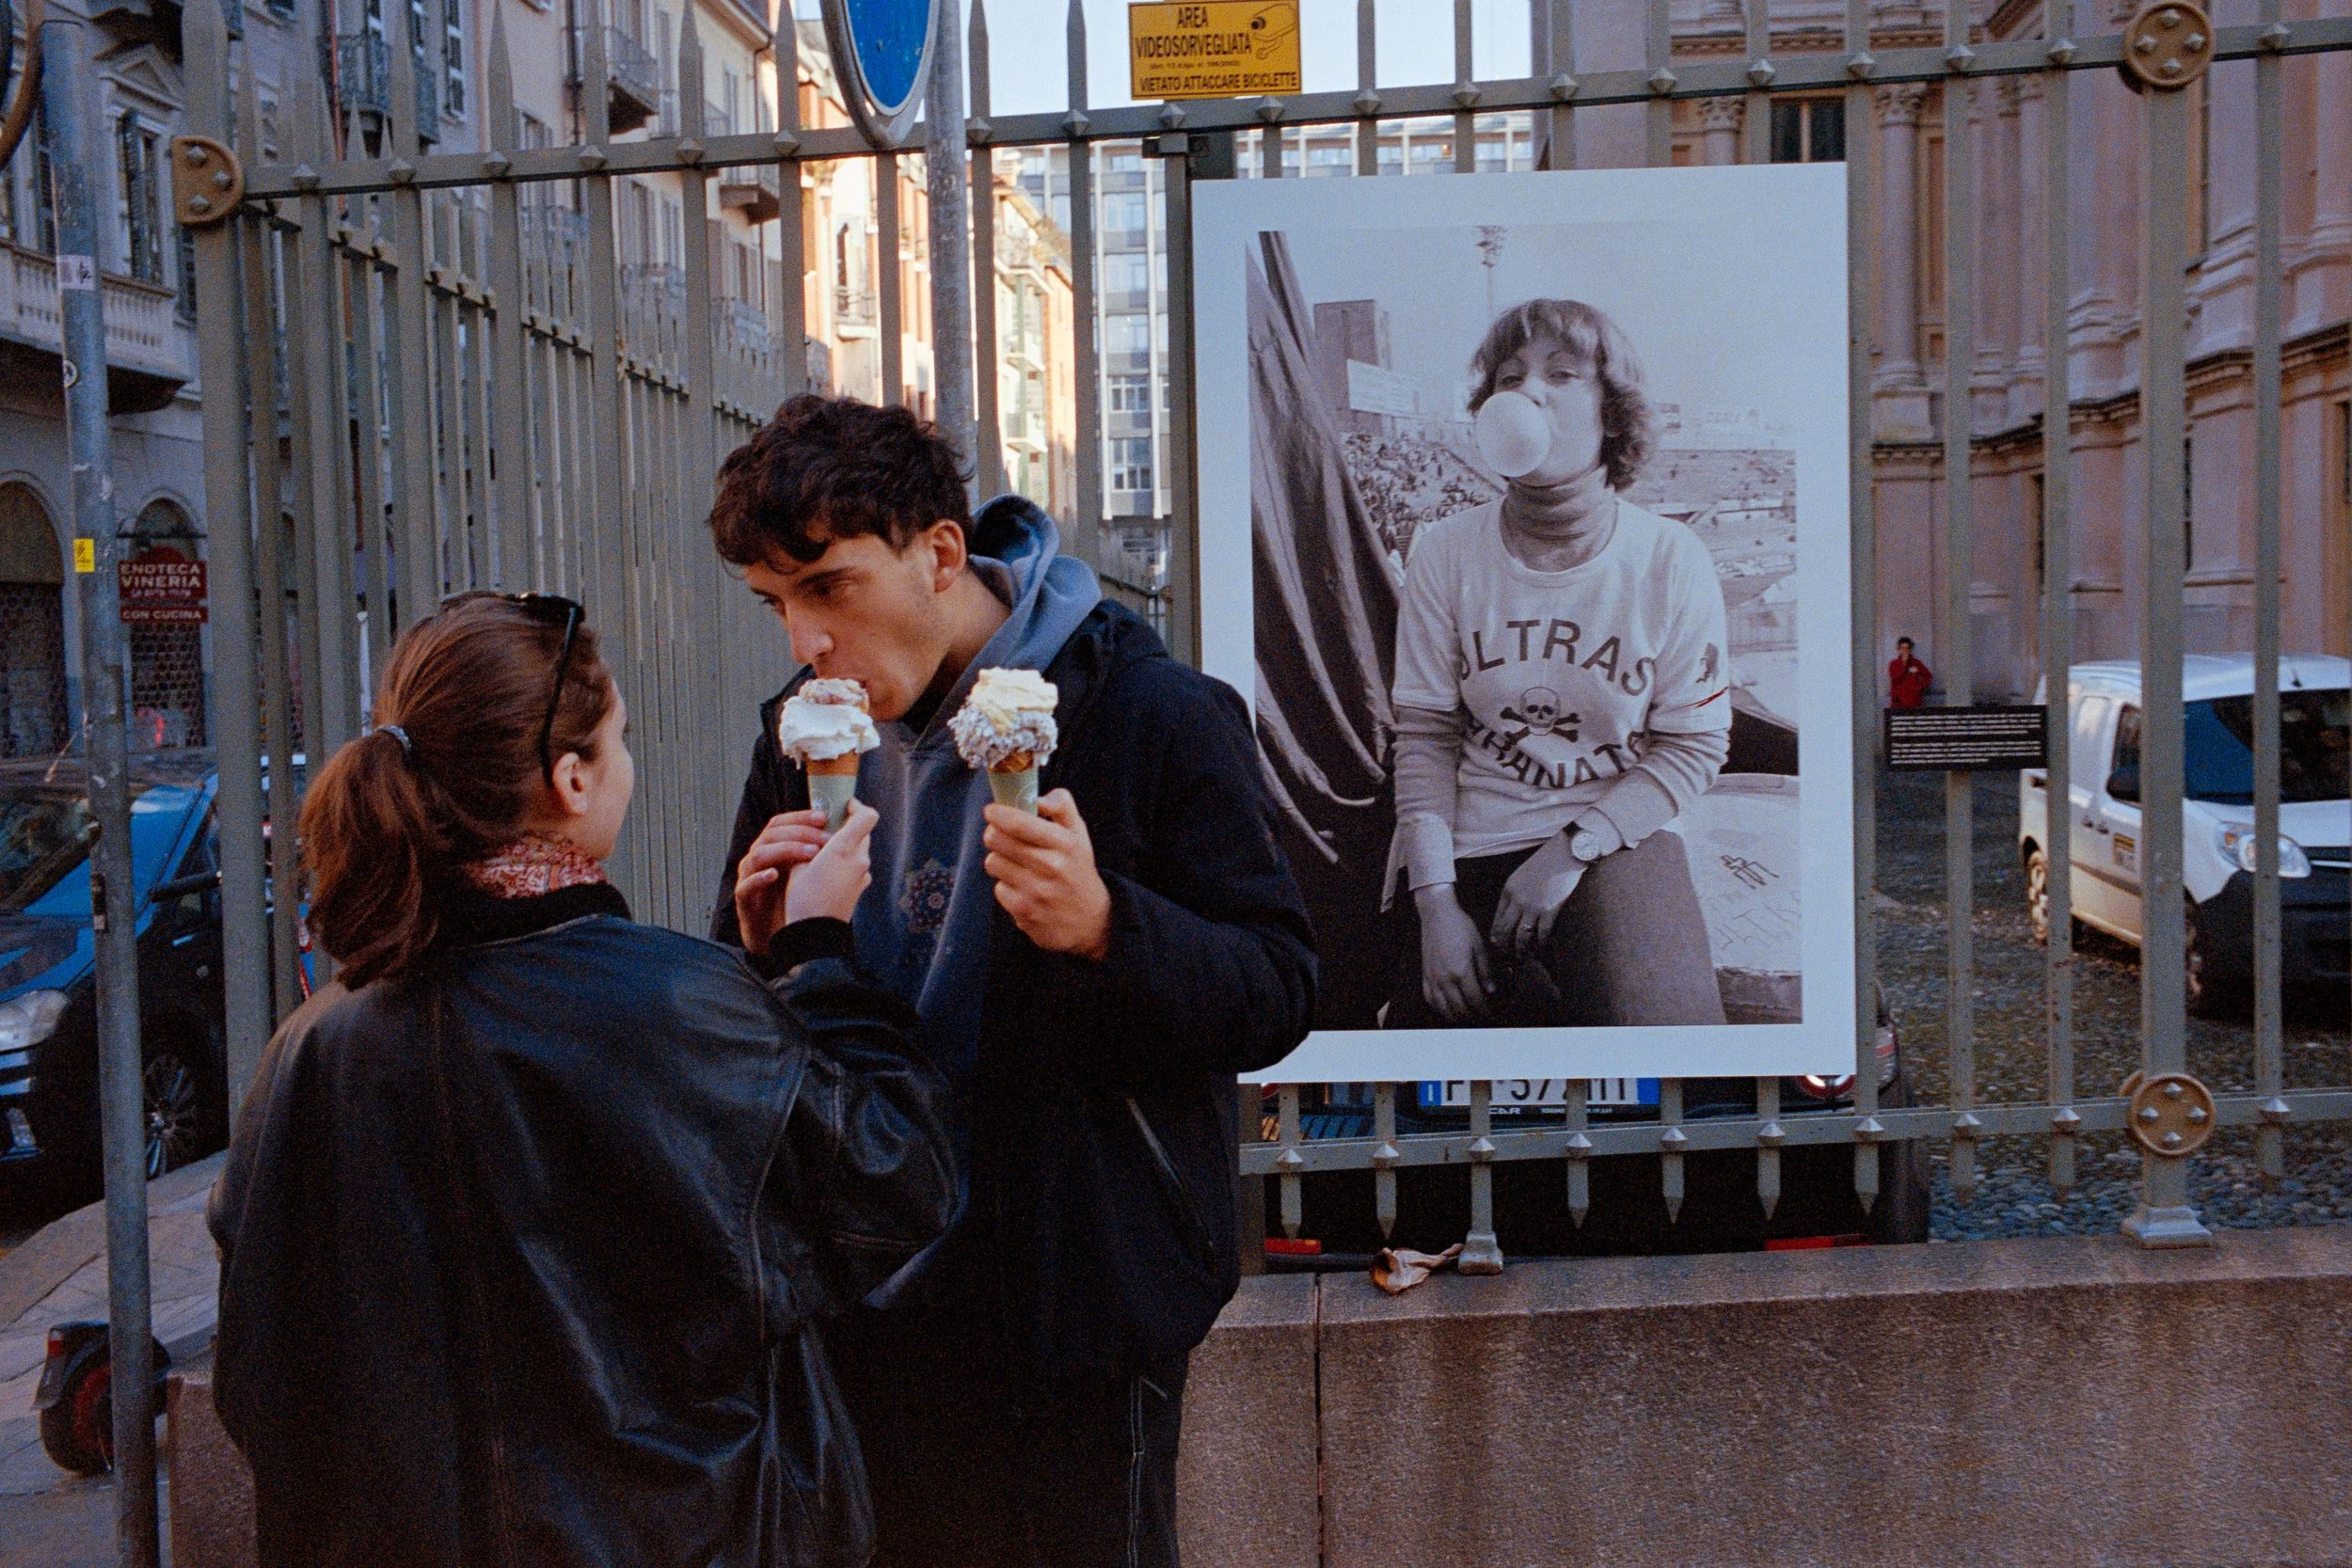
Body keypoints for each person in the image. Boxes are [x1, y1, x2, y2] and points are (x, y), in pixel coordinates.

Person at [209, 594, 959, 1568]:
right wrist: (817, 958)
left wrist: (760, 982)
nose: (629, 764)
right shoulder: (671, 1002)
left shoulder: (310, 1047)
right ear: (569, 777)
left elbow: (260, 1382)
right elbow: (897, 1177)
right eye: (621, 739)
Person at [707, 395, 1316, 1568]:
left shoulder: (1149, 713)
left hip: (1071, 1309)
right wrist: (754, 949)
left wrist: (1107, 927)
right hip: (860, 1302)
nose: (803, 641)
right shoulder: (800, 731)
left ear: (939, 553)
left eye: (828, 587)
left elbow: (1278, 985)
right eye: (775, 603)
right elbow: (771, 1024)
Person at [1388, 298, 1731, 1028]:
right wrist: (1436, 906)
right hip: (1466, 848)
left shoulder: (1670, 560)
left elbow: (1695, 744)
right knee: (1435, 1083)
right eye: (1509, 378)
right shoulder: (1444, 552)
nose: (1527, 393)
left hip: (1614, 837)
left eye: (1562, 373)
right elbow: (1423, 738)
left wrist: (1572, 850)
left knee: (1666, 1046)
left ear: (1612, 413)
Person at [1888, 636, 1933, 708]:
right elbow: (1895, 678)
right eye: (1902, 648)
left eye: (1907, 648)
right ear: (1899, 649)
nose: (1905, 651)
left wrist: (1920, 687)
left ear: (1910, 649)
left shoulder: (1916, 663)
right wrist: (1904, 665)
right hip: (1898, 702)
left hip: (1914, 700)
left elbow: (1928, 676)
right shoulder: (1894, 664)